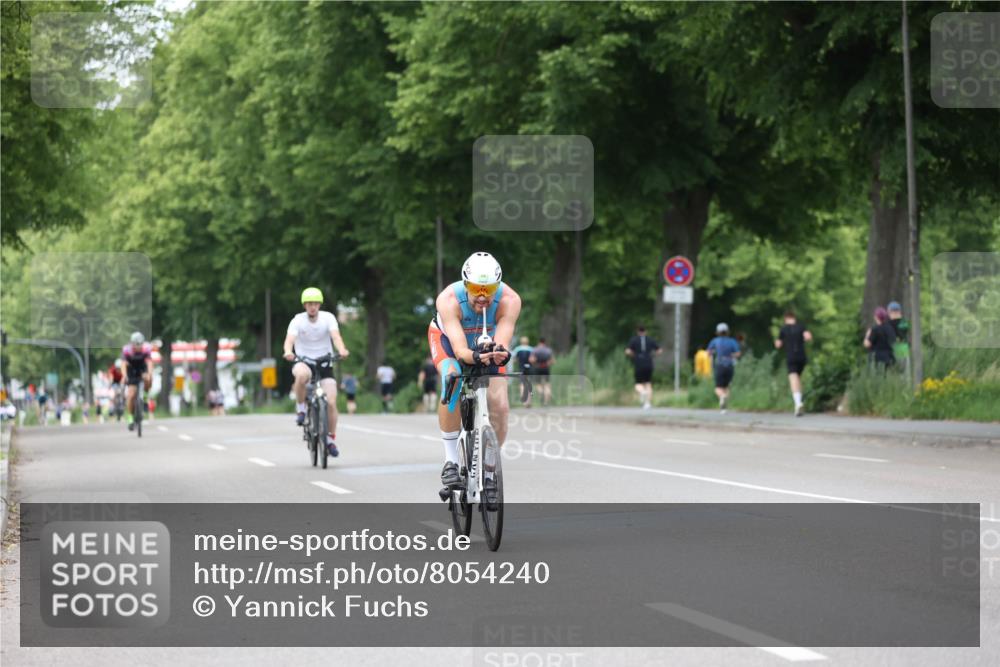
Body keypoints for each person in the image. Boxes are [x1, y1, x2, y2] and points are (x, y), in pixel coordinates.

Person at [428, 251, 521, 488]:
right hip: (450, 342)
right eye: (475, 288)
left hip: (485, 344)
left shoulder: (510, 300)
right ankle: (450, 461)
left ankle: (489, 467)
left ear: (497, 286)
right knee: (452, 378)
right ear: (465, 284)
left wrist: (498, 353)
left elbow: (501, 345)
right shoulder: (448, 299)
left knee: (500, 404)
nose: (482, 296)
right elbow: (460, 351)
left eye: (489, 290)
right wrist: (475, 356)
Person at [283, 287, 350, 458]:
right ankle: (301, 409)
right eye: (309, 304)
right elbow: (289, 340)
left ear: (319, 305)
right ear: (305, 305)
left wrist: (342, 350)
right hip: (303, 361)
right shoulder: (298, 320)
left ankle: (330, 439)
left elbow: (336, 337)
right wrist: (288, 351)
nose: (312, 307)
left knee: (332, 402)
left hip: (324, 362)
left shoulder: (328, 318)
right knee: (301, 375)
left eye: (315, 304)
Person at [774, 311, 812, 417]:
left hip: (791, 356)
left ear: (785, 319)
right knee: (798, 378)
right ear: (794, 318)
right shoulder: (801, 327)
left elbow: (778, 344)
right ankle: (799, 401)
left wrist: (778, 342)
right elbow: (808, 337)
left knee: (793, 378)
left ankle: (798, 403)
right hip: (802, 356)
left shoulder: (783, 329)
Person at [706, 323, 742, 413]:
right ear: (727, 331)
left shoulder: (715, 341)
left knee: (718, 388)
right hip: (730, 366)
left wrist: (713, 353)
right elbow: (738, 353)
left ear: (717, 332)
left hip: (720, 366)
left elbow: (708, 352)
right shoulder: (732, 341)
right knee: (726, 387)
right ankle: (724, 408)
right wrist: (730, 355)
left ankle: (722, 397)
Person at [122, 332, 154, 430]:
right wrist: (124, 376)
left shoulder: (146, 348)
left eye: (140, 344)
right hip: (131, 370)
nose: (138, 347)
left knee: (149, 378)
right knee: (131, 395)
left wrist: (149, 374)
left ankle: (145, 397)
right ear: (132, 343)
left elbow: (149, 362)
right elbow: (123, 364)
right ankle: (130, 418)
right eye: (136, 344)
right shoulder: (127, 350)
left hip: (142, 369)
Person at [625, 325, 661, 409]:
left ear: (638, 331)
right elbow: (659, 350)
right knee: (648, 383)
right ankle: (647, 403)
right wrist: (652, 356)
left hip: (639, 363)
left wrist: (634, 355)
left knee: (638, 384)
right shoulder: (650, 339)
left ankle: (642, 392)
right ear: (646, 331)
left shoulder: (634, 340)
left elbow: (627, 351)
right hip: (648, 362)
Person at [864, 306, 896, 371]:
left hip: (877, 359)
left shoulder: (874, 329)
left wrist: (867, 335)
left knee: (878, 375)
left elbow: (867, 344)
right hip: (888, 357)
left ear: (876, 317)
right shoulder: (890, 328)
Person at [886, 301, 911, 372]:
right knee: (906, 374)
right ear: (899, 311)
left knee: (893, 373)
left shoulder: (888, 324)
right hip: (904, 349)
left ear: (890, 312)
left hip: (893, 350)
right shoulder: (904, 322)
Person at [529, 338, 554, 406]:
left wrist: (535, 362)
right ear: (544, 342)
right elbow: (552, 361)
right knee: (547, 384)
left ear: (539, 342)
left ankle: (541, 393)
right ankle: (546, 402)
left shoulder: (535, 350)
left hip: (537, 368)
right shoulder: (548, 350)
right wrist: (548, 363)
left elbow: (531, 360)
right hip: (546, 368)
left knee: (538, 384)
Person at [511, 336, 534, 406]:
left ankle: (524, 401)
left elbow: (514, 359)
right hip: (529, 368)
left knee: (522, 384)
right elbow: (533, 359)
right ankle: (529, 401)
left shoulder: (517, 349)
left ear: (521, 342)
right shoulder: (531, 349)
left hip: (521, 368)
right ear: (527, 342)